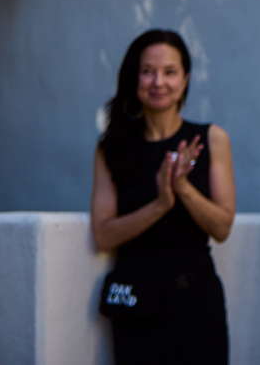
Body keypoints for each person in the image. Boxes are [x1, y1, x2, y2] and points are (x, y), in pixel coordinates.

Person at [91, 29, 236, 365]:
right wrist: (160, 204)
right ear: (134, 78)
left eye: (170, 72)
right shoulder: (111, 149)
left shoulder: (210, 140)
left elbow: (222, 227)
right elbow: (103, 235)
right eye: (148, 72)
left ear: (185, 80)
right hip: (136, 305)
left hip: (196, 303)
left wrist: (182, 188)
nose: (159, 82)